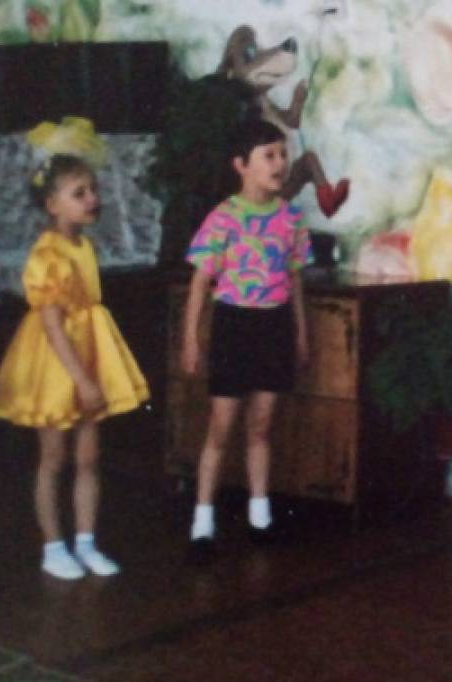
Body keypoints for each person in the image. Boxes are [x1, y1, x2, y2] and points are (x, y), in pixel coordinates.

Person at [0, 154, 150, 580]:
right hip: (58, 362)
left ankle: (86, 542)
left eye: (93, 190)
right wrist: (82, 379)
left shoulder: (84, 247)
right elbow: (53, 325)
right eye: (80, 193)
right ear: (52, 204)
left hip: (90, 351)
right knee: (53, 458)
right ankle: (53, 546)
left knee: (89, 458)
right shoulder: (47, 254)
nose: (92, 198)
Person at [182, 119, 310, 564]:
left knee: (261, 426)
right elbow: (200, 282)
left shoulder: (290, 218)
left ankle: (260, 516)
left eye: (283, 154)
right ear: (241, 165)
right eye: (268, 155)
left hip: (274, 327)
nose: (279, 163)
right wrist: (191, 339)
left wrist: (300, 333)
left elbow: (294, 280)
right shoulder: (223, 217)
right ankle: (202, 522)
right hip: (233, 327)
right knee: (221, 428)